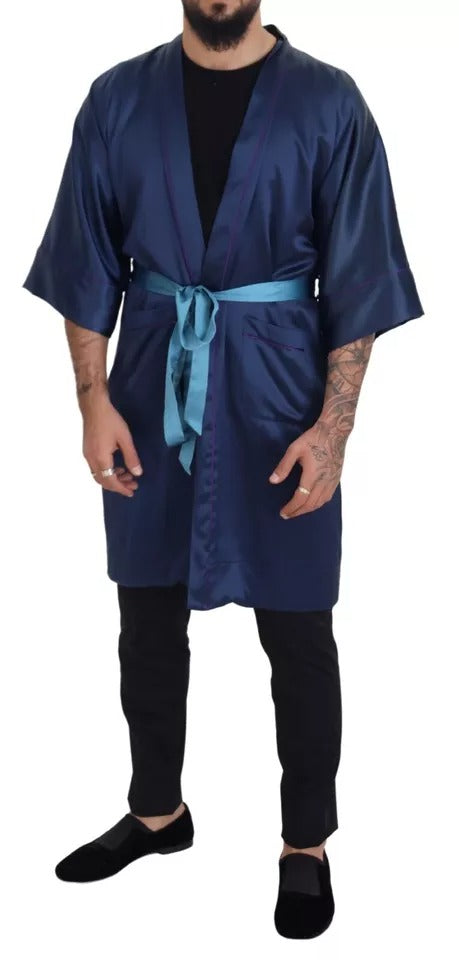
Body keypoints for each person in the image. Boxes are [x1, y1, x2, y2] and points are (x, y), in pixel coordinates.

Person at [22, 0, 424, 940]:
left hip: (278, 395)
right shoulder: (117, 99)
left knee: (299, 630)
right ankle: (158, 813)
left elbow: (358, 274)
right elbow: (86, 261)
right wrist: (91, 401)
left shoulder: (329, 103)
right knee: (145, 619)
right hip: (149, 385)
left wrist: (333, 430)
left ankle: (304, 842)